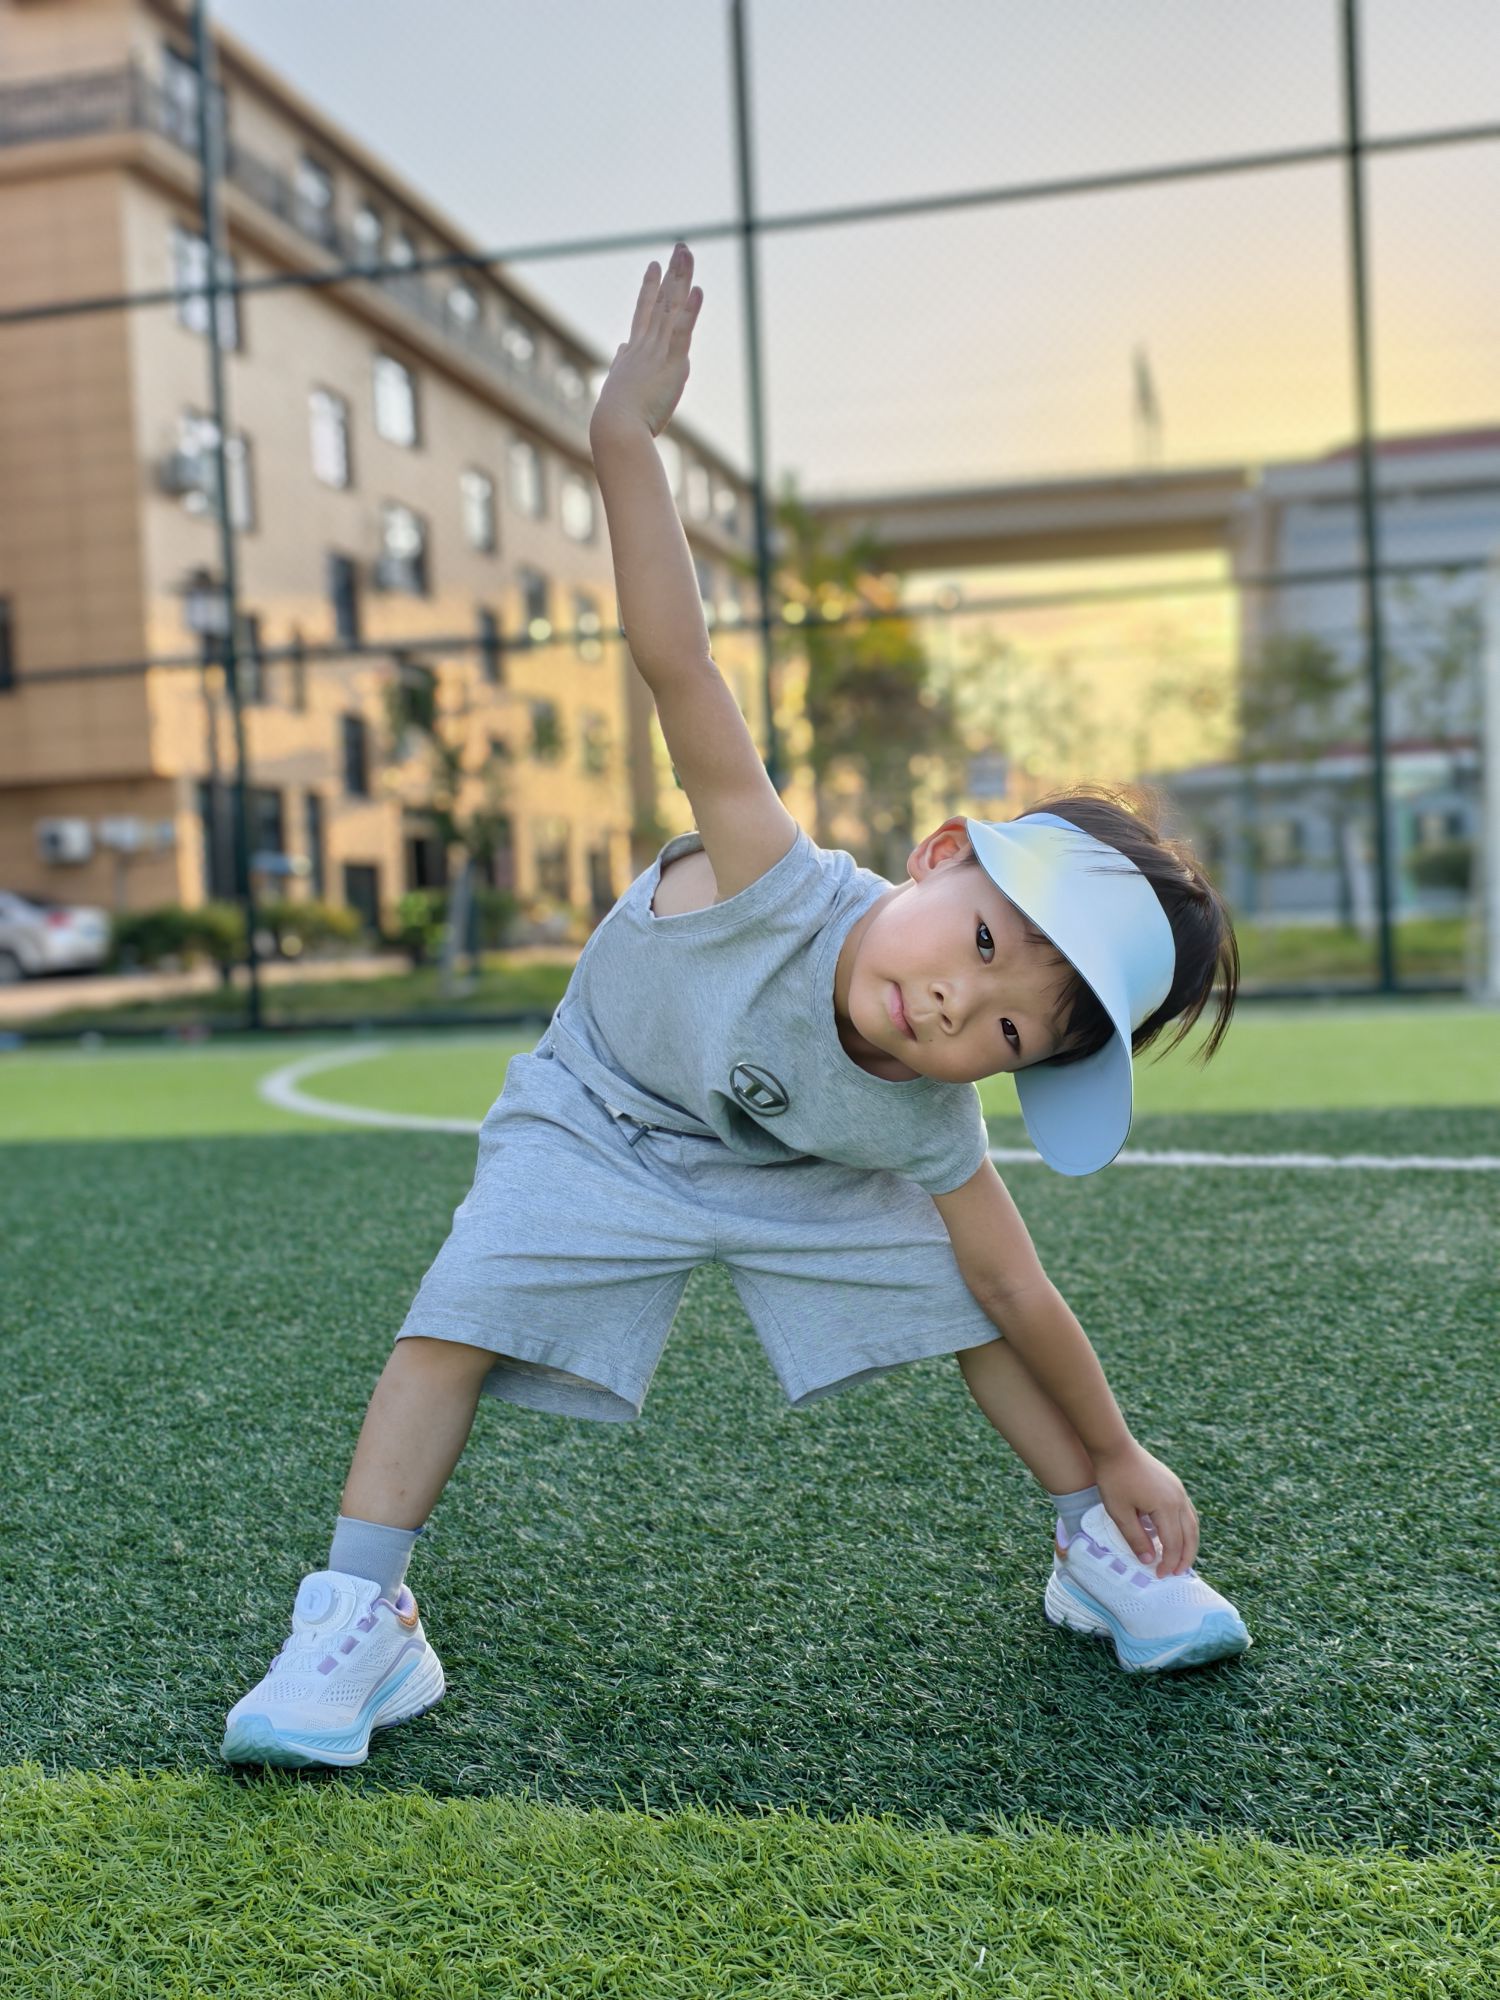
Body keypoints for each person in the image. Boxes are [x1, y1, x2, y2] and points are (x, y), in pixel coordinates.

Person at [222, 245, 1250, 1771]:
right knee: (454, 1310)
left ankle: (1096, 1551)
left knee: (967, 1301)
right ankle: (362, 1619)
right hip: (601, 1115)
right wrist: (621, 438)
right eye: (979, 941)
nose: (954, 1005)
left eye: (1009, 1031)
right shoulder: (776, 875)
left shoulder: (925, 1112)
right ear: (939, 852)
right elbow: (678, 662)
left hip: (790, 1167)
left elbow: (1023, 1291)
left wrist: (1119, 1453)